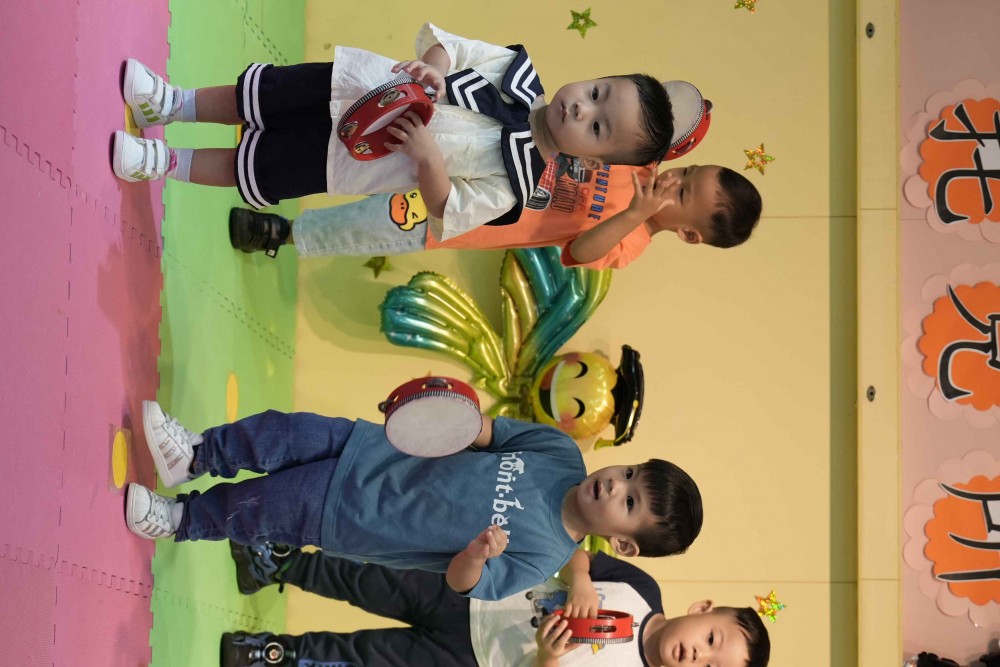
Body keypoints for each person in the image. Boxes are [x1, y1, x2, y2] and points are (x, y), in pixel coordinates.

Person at [111, 22, 678, 246]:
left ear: (593, 162)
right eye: (597, 92)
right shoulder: (517, 72)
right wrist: (433, 67)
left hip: (351, 158)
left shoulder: (516, 184)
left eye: (597, 127)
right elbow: (451, 46)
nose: (581, 108)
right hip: (354, 85)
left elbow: (447, 209)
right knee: (255, 94)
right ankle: (172, 101)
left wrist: (429, 159)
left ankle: (161, 163)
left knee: (252, 167)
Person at [124, 400, 703, 601]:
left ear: (623, 543)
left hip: (359, 515)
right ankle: (195, 455)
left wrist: (476, 554)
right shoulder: (559, 452)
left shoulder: (545, 556)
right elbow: (484, 433)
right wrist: (437, 409)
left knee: (262, 507)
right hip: (373, 447)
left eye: (630, 503)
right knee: (281, 430)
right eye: (629, 473)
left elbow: (462, 585)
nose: (615, 484)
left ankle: (178, 520)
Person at [219, 543, 770, 667]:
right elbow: (575, 554)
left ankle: (272, 655)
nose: (698, 655)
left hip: (473, 661)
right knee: (369, 578)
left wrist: (549, 658)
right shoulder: (642, 588)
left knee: (369, 659)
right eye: (712, 639)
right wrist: (581, 580)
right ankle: (276, 565)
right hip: (474, 590)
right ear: (704, 607)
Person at [227, 157, 762, 269]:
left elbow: (581, 251)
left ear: (688, 234)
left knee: (371, 223)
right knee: (371, 165)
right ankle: (272, 168)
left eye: (683, 195)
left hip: (459, 218)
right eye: (688, 172)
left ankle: (283, 232)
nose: (673, 181)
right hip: (477, 165)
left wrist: (634, 213)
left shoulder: (632, 243)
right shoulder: (636, 160)